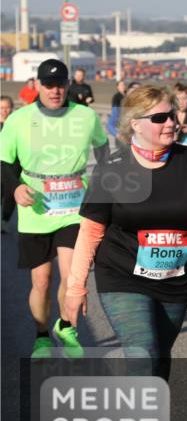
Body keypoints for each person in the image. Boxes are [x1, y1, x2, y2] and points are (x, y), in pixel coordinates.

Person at [62, 86, 187, 379]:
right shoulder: (113, 168)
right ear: (135, 123)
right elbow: (90, 232)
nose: (171, 123)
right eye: (160, 117)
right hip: (122, 275)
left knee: (159, 356)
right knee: (142, 353)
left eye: (172, 115)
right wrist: (76, 288)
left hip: (175, 280)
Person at [0, 59, 109, 358]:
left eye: (60, 83)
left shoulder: (85, 117)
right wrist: (14, 187)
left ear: (68, 84)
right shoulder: (19, 120)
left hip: (73, 207)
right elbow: (4, 161)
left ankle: (66, 326)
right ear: (37, 85)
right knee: (42, 280)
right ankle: (42, 336)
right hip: (35, 209)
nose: (55, 90)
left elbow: (103, 150)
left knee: (72, 273)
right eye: (48, 85)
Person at [107, 81, 140, 148]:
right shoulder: (118, 100)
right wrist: (118, 135)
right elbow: (110, 124)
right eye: (134, 89)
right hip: (124, 141)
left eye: (139, 89)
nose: (137, 91)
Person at [0, 96, 13, 233]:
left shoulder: (15, 124)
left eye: (7, 107)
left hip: (11, 165)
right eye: (1, 107)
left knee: (9, 195)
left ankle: (4, 220)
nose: (4, 110)